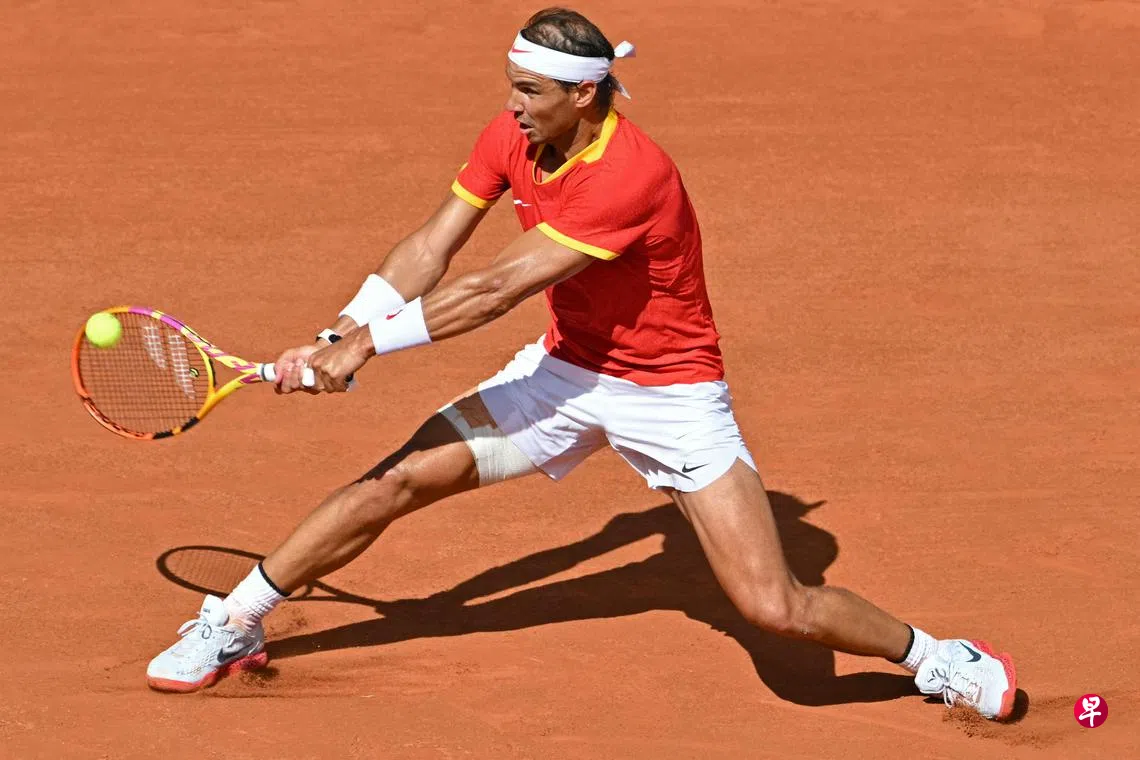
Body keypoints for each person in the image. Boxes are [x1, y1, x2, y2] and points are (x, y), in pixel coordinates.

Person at [146, 7, 1017, 720]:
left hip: (671, 396)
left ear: (584, 93)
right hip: (566, 374)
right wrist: (341, 328)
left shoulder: (629, 176)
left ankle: (937, 657)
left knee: (775, 607)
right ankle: (235, 621)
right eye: (511, 86)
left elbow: (496, 289)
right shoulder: (512, 136)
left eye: (530, 91)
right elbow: (434, 245)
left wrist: (367, 347)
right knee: (395, 480)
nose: (513, 106)